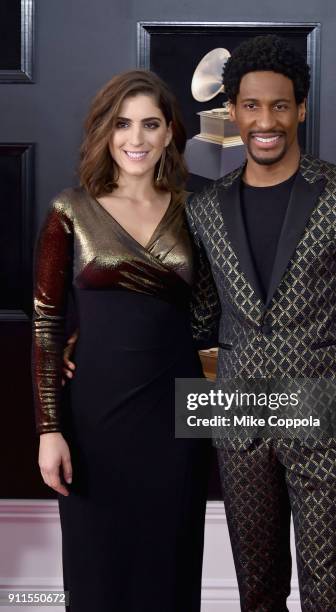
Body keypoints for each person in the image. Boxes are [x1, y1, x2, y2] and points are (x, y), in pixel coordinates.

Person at [185, 35, 336, 611]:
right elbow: (200, 319)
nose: (266, 120)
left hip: (327, 412)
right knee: (256, 594)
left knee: (328, 594)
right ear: (232, 112)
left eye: (280, 106)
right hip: (239, 416)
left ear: (300, 109)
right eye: (252, 106)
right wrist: (104, 334)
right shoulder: (205, 207)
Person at [32, 69, 210, 612]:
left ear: (170, 132)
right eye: (123, 124)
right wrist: (49, 430)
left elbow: (217, 312)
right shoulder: (71, 209)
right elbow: (46, 324)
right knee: (96, 577)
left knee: (170, 572)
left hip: (177, 416)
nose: (136, 139)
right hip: (93, 421)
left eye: (150, 125)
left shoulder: (196, 207)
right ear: (105, 132)